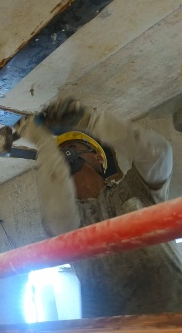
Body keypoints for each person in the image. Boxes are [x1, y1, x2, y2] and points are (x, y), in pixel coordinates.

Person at [13, 97, 182, 317]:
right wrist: (44, 144)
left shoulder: (136, 189)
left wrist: (88, 120)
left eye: (72, 148)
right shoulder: (71, 219)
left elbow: (158, 154)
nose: (64, 156)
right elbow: (58, 211)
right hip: (114, 325)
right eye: (59, 153)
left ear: (99, 159)